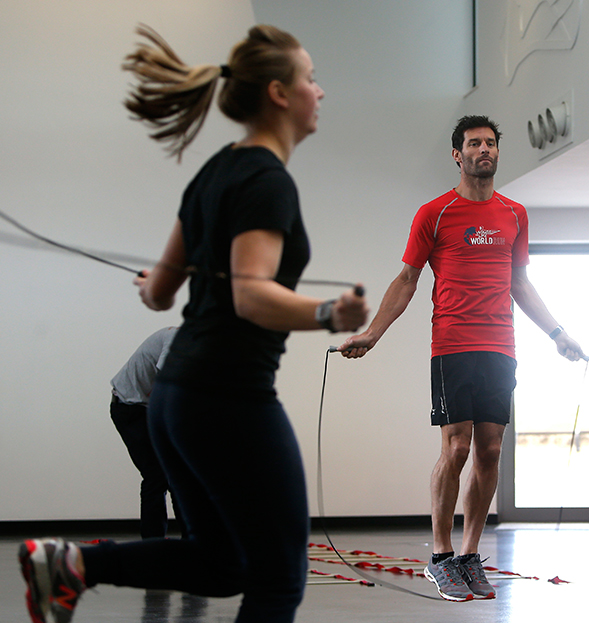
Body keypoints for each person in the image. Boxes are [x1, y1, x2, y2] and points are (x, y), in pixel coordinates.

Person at [18, 24, 367, 623]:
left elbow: (157, 294)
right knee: (279, 579)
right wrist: (330, 313)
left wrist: (154, 279)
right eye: (311, 78)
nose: (320, 92)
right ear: (280, 93)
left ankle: (77, 564)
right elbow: (251, 297)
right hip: (228, 395)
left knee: (221, 563)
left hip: (174, 398)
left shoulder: (212, 173)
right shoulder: (267, 180)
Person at [338, 115, 586, 602]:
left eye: (490, 143)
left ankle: (470, 556)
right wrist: (373, 333)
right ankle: (440, 556)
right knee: (456, 448)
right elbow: (407, 279)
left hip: (501, 346)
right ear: (458, 154)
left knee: (490, 450)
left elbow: (520, 283)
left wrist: (557, 332)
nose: (484, 150)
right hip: (452, 343)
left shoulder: (514, 214)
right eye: (474, 144)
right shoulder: (435, 213)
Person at [110, 326, 186, 540]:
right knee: (157, 475)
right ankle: (153, 544)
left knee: (177, 474)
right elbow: (165, 386)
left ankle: (192, 539)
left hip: (149, 409)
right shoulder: (177, 339)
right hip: (130, 408)